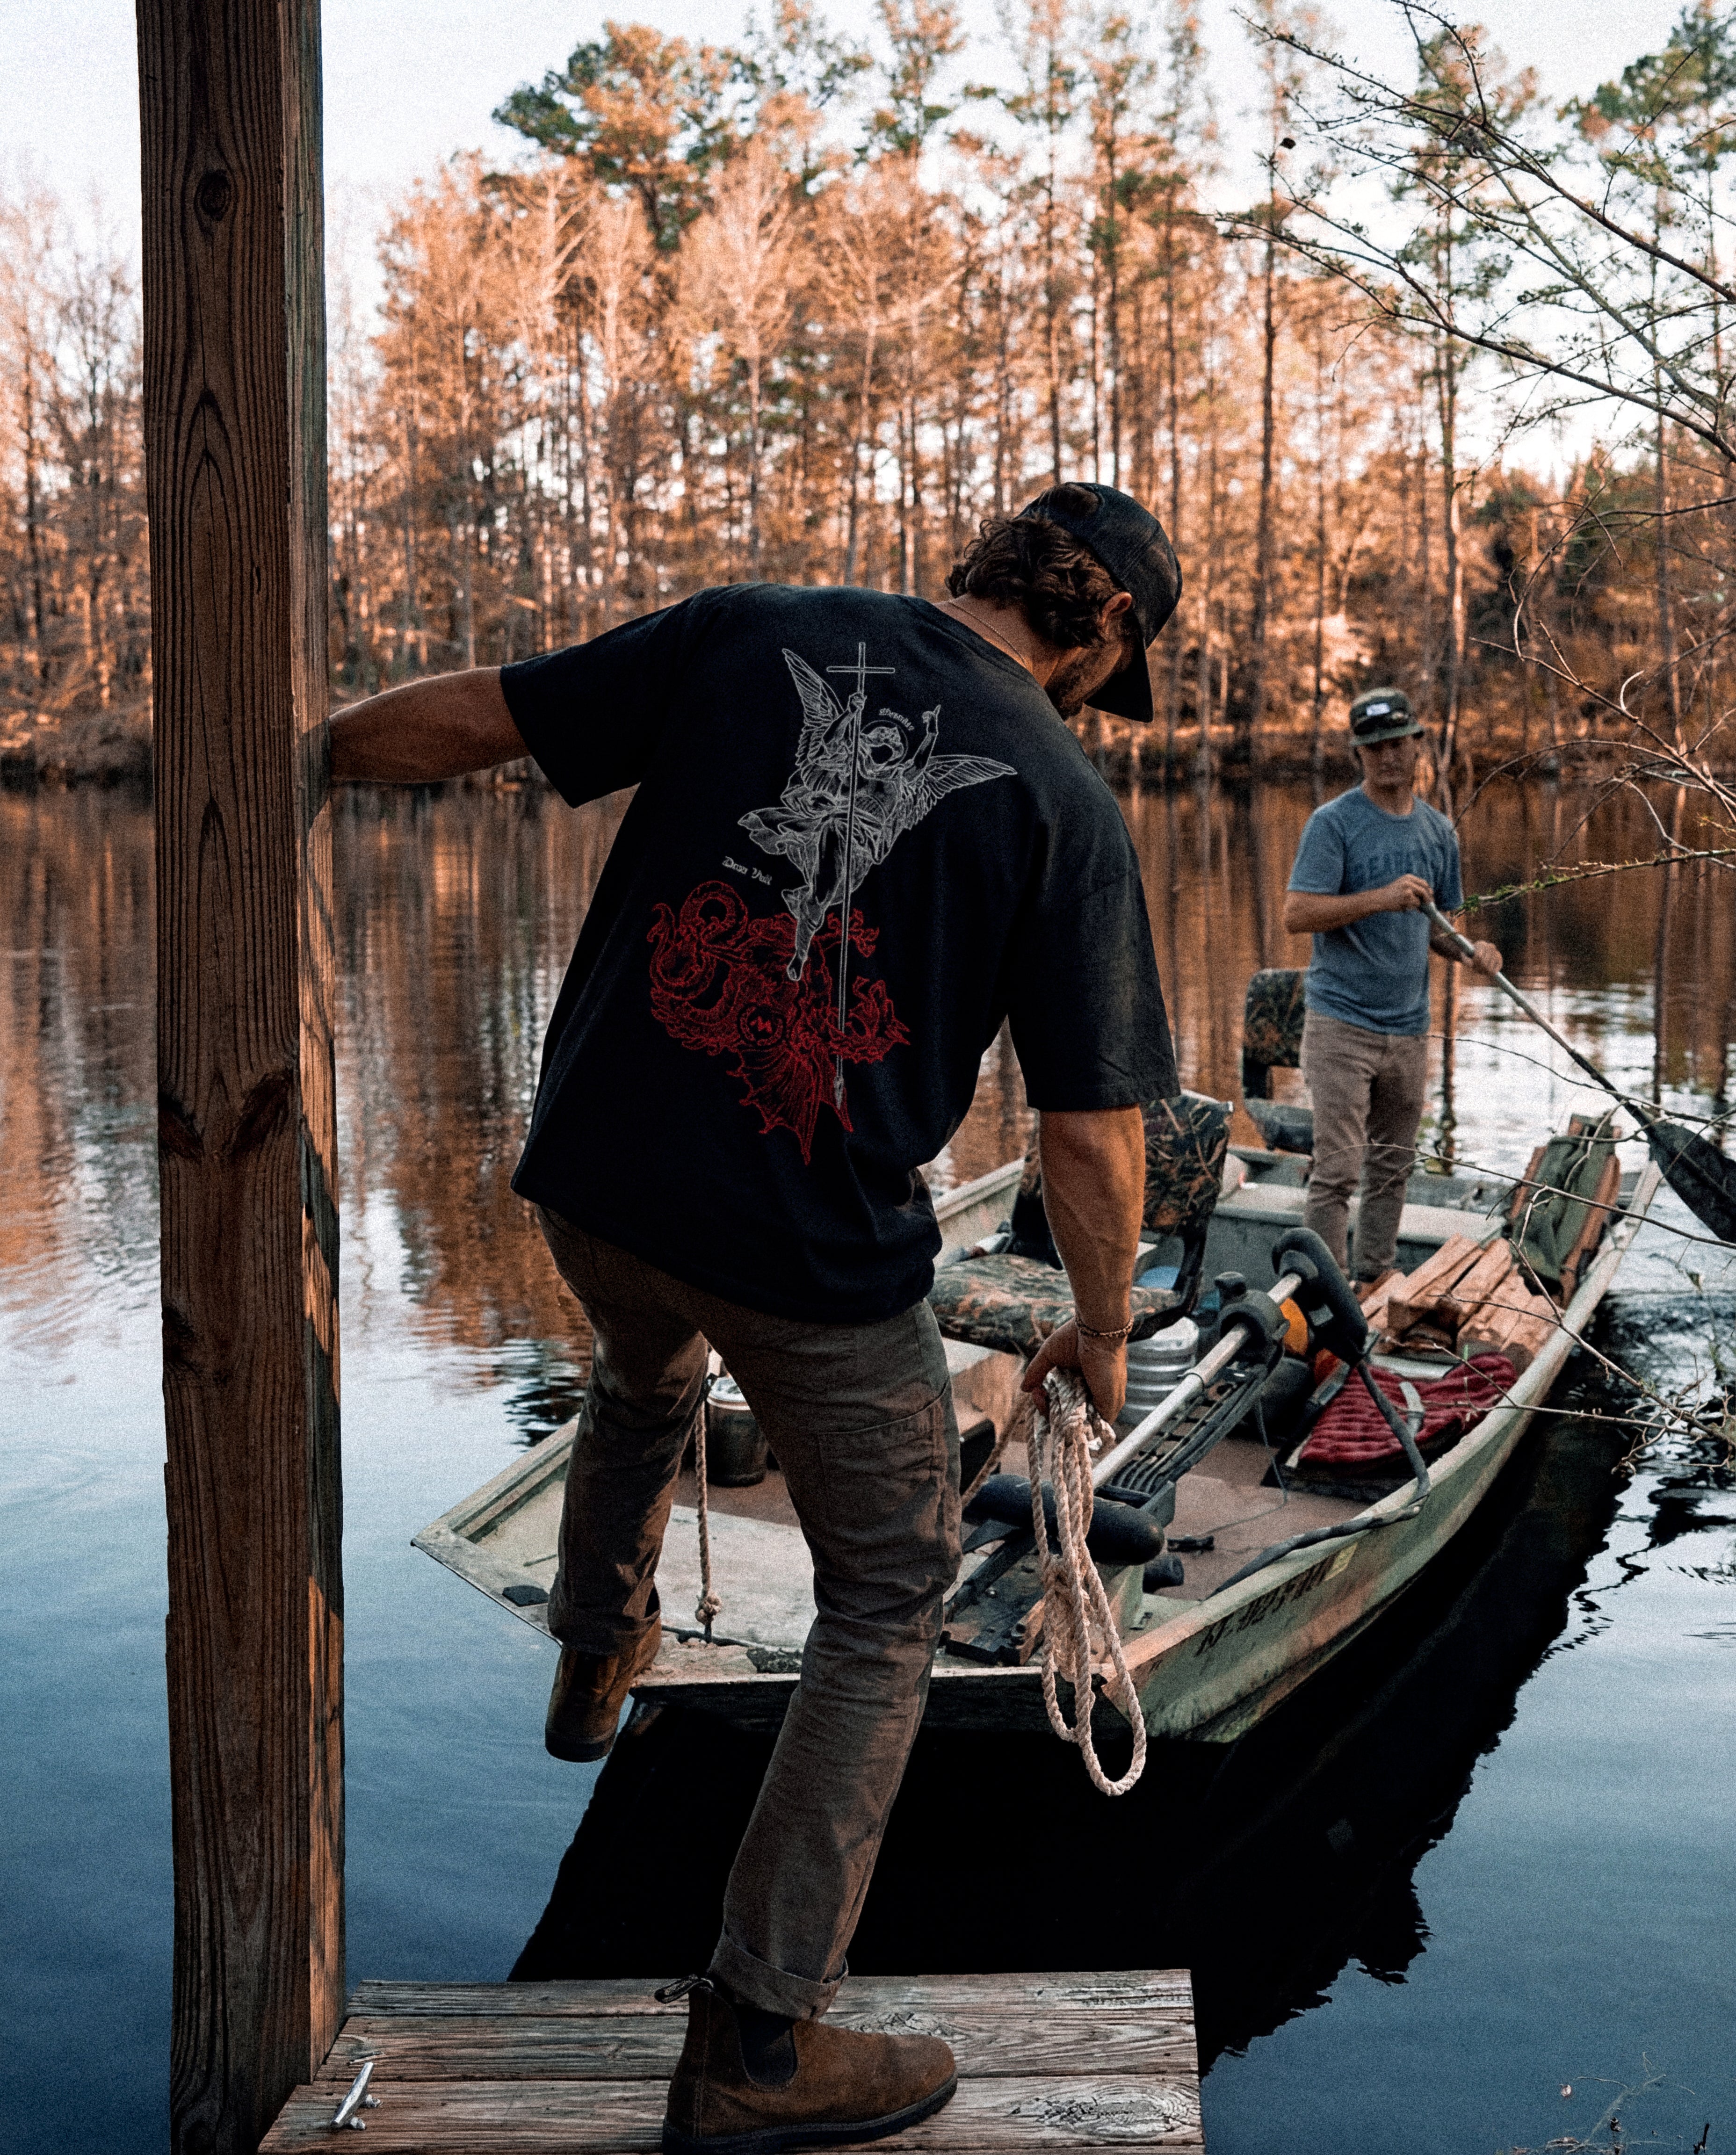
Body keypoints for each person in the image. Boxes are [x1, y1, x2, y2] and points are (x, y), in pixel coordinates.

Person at [329, 480, 1183, 2155]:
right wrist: (1099, 1321)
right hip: (799, 1250)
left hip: (593, 1180)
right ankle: (757, 2038)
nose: (1096, 703)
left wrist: (297, 746)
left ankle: (595, 1650)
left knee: (642, 1367)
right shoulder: (1064, 800)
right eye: (1111, 672)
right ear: (1095, 632)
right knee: (890, 1585)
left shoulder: (754, 629)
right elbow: (1089, 1134)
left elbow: (480, 721)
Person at [1281, 687, 1502, 1284]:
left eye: (1395, 744)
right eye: (1372, 747)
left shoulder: (1437, 834)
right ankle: (1325, 1296)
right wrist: (1379, 898)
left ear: (1416, 746)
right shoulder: (1333, 825)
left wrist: (1472, 953)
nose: (1386, 757)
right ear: (1359, 753)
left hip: (1408, 1030)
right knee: (1336, 1173)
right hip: (1340, 1027)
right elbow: (1297, 914)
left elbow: (1438, 930)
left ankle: (1375, 1281)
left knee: (1392, 1167)